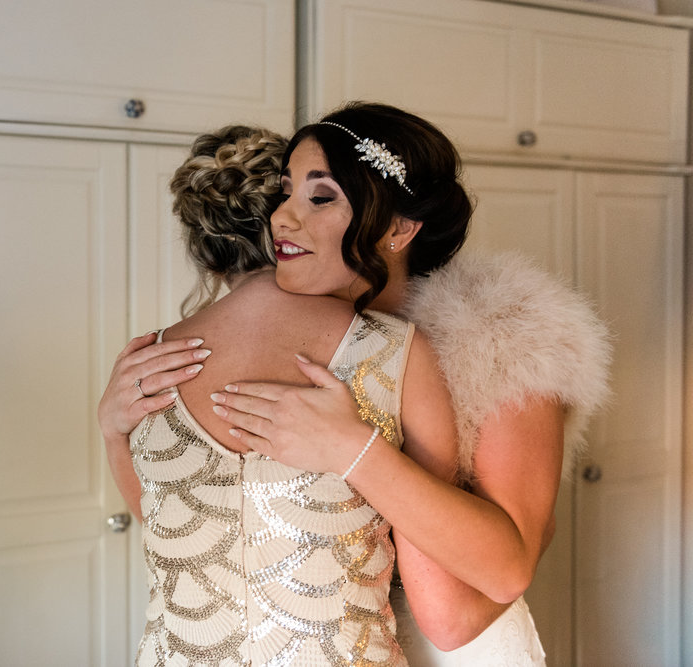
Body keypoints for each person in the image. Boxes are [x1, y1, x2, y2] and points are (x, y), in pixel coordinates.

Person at [101, 102, 611, 665]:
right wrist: (115, 430)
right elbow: (200, 537)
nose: (282, 220)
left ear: (397, 227)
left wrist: (356, 450)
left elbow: (461, 609)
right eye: (284, 195)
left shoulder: (497, 338)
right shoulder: (293, 333)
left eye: (320, 198)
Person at [100, 122, 464, 665]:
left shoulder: (147, 361)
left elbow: (168, 534)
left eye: (318, 196)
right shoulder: (394, 351)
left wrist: (111, 432)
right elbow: (444, 596)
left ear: (206, 253)